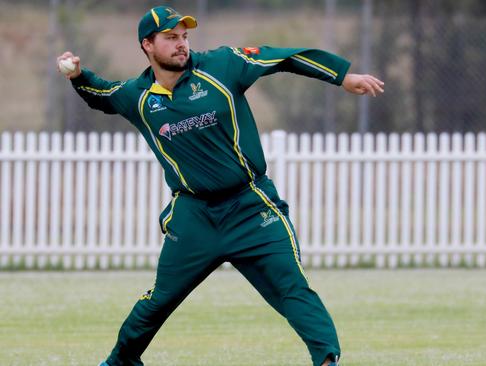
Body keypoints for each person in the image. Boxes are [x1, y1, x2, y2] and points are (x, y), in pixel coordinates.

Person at [57, 6, 383, 366]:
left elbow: (283, 57)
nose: (181, 44)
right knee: (159, 300)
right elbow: (102, 94)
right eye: (170, 38)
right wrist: (77, 74)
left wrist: (342, 76)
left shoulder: (222, 65)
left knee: (292, 287)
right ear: (147, 45)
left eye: (184, 36)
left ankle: (327, 360)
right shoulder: (139, 96)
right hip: (194, 215)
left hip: (251, 206)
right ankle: (120, 361)